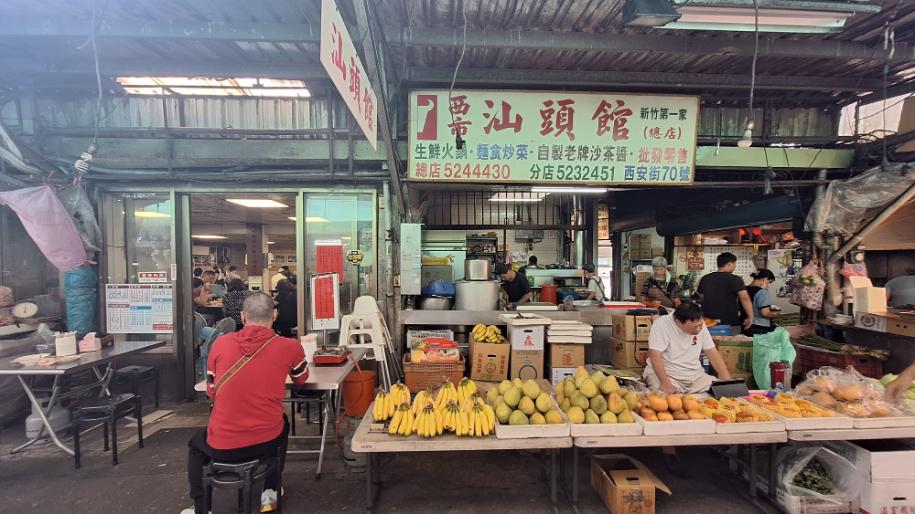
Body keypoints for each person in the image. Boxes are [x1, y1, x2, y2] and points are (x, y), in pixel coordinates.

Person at [182, 293, 308, 514]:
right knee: (283, 422)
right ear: (275, 315)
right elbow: (301, 379)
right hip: (266, 442)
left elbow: (211, 391)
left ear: (242, 316)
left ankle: (201, 508)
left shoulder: (220, 344)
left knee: (195, 446)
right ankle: (269, 492)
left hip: (221, 444)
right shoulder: (290, 346)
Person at [644, 301, 732, 394]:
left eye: (700, 325)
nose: (698, 329)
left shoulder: (698, 323)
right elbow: (655, 355)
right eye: (694, 327)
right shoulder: (661, 325)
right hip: (668, 376)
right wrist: (666, 383)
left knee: (722, 391)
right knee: (664, 401)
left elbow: (711, 351)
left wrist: (726, 380)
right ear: (678, 321)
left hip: (695, 378)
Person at [696, 252, 754, 334]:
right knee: (729, 345)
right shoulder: (735, 279)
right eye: (734, 264)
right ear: (729, 264)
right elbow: (744, 298)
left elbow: (700, 298)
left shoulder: (705, 278)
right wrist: (750, 317)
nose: (735, 266)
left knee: (709, 345)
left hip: (708, 322)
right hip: (730, 322)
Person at [742, 269, 779, 336]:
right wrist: (778, 315)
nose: (769, 285)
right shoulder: (762, 292)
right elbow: (765, 313)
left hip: (745, 325)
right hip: (760, 327)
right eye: (769, 282)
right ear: (765, 279)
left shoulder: (743, 290)